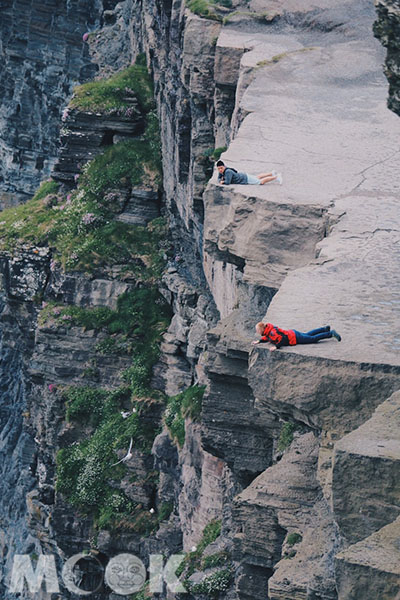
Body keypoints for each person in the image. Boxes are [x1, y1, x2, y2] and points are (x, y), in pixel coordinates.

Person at [252, 322, 341, 351]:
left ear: (262, 329)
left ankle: (330, 333)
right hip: (293, 333)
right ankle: (324, 329)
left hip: (294, 337)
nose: (257, 332)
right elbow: (267, 338)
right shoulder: (268, 331)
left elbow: (283, 339)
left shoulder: (272, 332)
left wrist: (276, 346)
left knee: (312, 339)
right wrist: (259, 341)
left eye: (257, 330)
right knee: (308, 334)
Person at [216, 160, 282, 186]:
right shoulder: (222, 171)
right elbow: (219, 178)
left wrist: (222, 182)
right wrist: (220, 180)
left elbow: (227, 182)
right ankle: (271, 173)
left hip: (245, 179)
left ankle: (276, 177)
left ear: (224, 166)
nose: (220, 170)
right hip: (244, 176)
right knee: (257, 177)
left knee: (260, 182)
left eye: (221, 168)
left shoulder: (228, 172)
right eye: (218, 169)